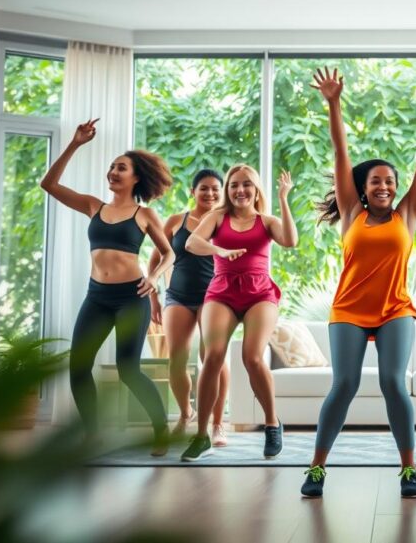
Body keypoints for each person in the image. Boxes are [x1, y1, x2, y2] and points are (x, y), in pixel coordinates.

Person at [301, 68, 416, 499]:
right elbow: (340, 151)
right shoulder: (350, 214)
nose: (385, 185)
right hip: (348, 310)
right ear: (362, 188)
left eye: (390, 181)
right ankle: (317, 468)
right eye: (376, 180)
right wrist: (334, 103)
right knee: (344, 384)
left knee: (393, 383)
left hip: (395, 309)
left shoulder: (407, 215)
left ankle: (408, 470)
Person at [39, 118, 174, 456]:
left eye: (121, 168)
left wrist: (154, 279)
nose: (113, 172)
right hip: (97, 296)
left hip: (132, 296)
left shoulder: (145, 215)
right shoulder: (93, 206)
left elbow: (169, 253)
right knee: (79, 367)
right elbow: (49, 184)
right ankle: (92, 434)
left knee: (129, 369)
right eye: (112, 167)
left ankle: (161, 431)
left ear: (136, 177)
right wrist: (74, 144)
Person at [180, 166, 298, 462]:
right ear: (228, 190)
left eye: (247, 185)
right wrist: (218, 251)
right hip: (222, 292)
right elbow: (191, 242)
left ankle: (272, 423)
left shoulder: (267, 221)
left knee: (252, 357)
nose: (240, 190)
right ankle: (201, 434)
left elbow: (291, 241)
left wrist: (284, 198)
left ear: (257, 190)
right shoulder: (217, 218)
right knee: (213, 356)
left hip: (260, 293)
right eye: (234, 185)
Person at [148, 169, 225, 442]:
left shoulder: (226, 223)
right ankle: (185, 413)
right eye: (204, 188)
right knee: (176, 360)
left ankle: (217, 424)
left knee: (213, 359)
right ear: (192, 192)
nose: (210, 193)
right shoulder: (175, 221)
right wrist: (153, 296)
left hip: (215, 297)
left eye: (216, 188)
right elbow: (156, 256)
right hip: (177, 296)